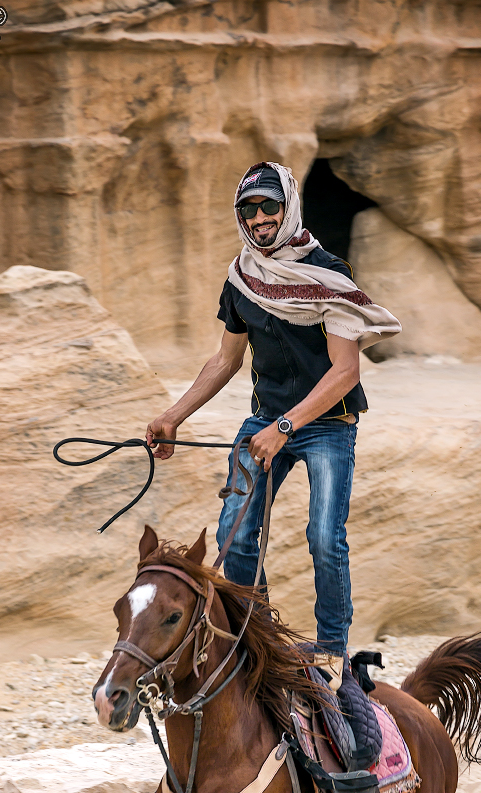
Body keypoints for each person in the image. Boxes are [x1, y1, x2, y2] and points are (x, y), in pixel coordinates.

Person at [146, 161, 400, 690]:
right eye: (249, 209)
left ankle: (331, 650)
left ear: (288, 207)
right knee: (234, 535)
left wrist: (285, 427)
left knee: (324, 537)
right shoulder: (243, 277)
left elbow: (346, 370)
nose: (260, 218)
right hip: (265, 421)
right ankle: (251, 637)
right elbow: (225, 360)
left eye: (269, 206)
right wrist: (172, 416)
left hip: (327, 423)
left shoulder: (327, 273)